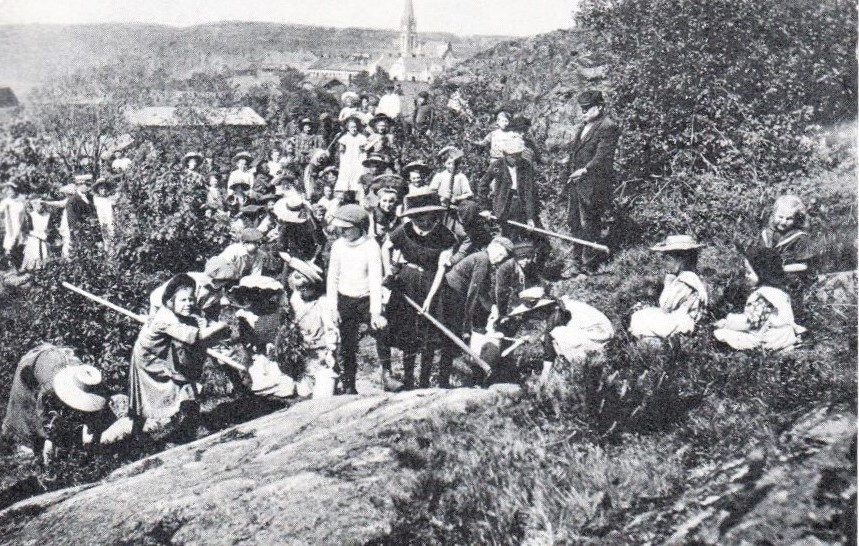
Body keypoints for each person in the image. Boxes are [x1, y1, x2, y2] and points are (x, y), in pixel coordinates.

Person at [129, 274, 228, 440]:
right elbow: (197, 336)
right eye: (183, 300)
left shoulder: (178, 311)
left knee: (183, 383)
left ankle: (191, 424)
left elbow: (197, 322)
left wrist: (201, 322)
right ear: (170, 302)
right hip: (148, 358)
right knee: (145, 396)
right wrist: (221, 326)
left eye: (191, 299)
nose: (188, 304)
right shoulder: (166, 319)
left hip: (165, 353)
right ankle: (137, 435)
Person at [380, 189, 458, 389]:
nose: (423, 224)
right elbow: (386, 246)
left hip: (432, 283)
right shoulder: (403, 230)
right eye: (418, 220)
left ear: (434, 215)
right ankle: (408, 380)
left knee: (428, 335)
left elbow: (441, 269)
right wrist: (389, 268)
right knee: (407, 331)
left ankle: (424, 380)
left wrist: (429, 299)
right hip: (406, 282)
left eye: (427, 219)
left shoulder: (445, 235)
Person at [434, 236, 515, 387]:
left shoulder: (483, 259)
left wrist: (492, 306)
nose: (499, 260)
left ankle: (443, 380)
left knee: (449, 342)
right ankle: (443, 382)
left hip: (453, 297)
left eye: (503, 258)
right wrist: (466, 328)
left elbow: (482, 292)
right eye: (500, 254)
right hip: (450, 297)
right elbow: (473, 295)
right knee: (449, 340)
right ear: (493, 246)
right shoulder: (483, 259)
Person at [326, 204, 386, 394]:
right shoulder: (337, 246)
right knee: (347, 343)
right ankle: (349, 384)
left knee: (382, 333)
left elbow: (376, 279)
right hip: (346, 300)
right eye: (339, 228)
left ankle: (387, 374)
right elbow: (332, 278)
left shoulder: (371, 245)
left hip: (367, 298)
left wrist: (376, 312)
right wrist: (333, 307)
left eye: (347, 228)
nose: (342, 231)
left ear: (360, 226)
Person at [504, 287, 614, 382]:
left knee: (556, 334)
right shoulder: (559, 307)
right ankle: (577, 362)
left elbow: (548, 342)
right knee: (552, 336)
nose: (533, 316)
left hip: (600, 335)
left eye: (533, 312)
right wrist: (530, 338)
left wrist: (544, 375)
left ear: (540, 308)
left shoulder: (557, 313)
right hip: (600, 332)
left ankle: (582, 366)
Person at [565, 90, 620, 274]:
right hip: (576, 182)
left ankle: (589, 265)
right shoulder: (584, 126)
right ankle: (575, 262)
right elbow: (577, 151)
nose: (584, 112)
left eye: (588, 108)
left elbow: (603, 156)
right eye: (582, 109)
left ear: (600, 107)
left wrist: (585, 169)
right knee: (574, 221)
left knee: (590, 223)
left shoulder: (608, 126)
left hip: (594, 183)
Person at [714, 246, 806, 351]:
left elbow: (751, 322)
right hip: (784, 338)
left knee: (720, 334)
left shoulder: (764, 296)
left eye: (749, 272)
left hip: (769, 341)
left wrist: (727, 322)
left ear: (762, 272)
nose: (746, 276)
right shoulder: (779, 293)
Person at [628, 235, 708, 342]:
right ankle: (651, 342)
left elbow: (665, 306)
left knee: (638, 316)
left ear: (681, 261)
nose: (664, 263)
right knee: (643, 314)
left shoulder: (684, 280)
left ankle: (655, 344)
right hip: (682, 319)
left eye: (668, 260)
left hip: (681, 323)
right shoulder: (692, 277)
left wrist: (668, 283)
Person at [283, 256, 339, 396]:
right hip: (304, 354)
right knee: (302, 392)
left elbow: (331, 329)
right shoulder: (295, 299)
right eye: (299, 288)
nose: (302, 291)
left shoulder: (323, 302)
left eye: (305, 288)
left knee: (322, 396)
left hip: (321, 353)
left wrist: (331, 351)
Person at [477, 138, 539, 238]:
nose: (516, 158)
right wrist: (484, 208)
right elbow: (483, 185)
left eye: (518, 154)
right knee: (505, 234)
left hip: (519, 204)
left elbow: (529, 192)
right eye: (512, 156)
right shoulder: (497, 165)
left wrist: (530, 217)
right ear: (505, 154)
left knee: (520, 236)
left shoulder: (526, 166)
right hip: (503, 204)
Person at [273, 191, 325, 262]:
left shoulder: (311, 222)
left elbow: (319, 240)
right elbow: (281, 246)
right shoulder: (287, 226)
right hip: (293, 257)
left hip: (309, 254)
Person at [335, 117, 368, 200]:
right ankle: (346, 198)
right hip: (347, 161)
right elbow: (341, 150)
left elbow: (363, 150)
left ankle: (358, 198)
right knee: (347, 177)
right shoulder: (345, 137)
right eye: (351, 127)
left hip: (358, 160)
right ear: (348, 128)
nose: (353, 129)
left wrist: (363, 149)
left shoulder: (361, 137)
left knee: (357, 177)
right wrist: (341, 149)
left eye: (355, 127)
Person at [368, 176, 404, 245]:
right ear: (379, 200)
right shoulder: (373, 214)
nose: (387, 204)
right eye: (384, 201)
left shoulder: (396, 214)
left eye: (391, 201)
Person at [0, 181, 27, 269]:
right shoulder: (6, 201)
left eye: (11, 190)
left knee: (21, 245)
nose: (10, 192)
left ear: (15, 190)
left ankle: (22, 265)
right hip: (11, 227)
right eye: (8, 191)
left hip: (21, 225)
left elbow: (25, 212)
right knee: (11, 245)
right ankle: (12, 265)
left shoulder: (21, 200)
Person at [20, 198, 52, 271]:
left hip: (43, 237)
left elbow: (49, 227)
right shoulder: (31, 216)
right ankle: (32, 268)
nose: (40, 207)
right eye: (38, 205)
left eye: (42, 205)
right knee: (33, 253)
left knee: (43, 253)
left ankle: (43, 268)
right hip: (33, 237)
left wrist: (46, 233)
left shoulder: (47, 215)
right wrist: (36, 234)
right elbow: (25, 229)